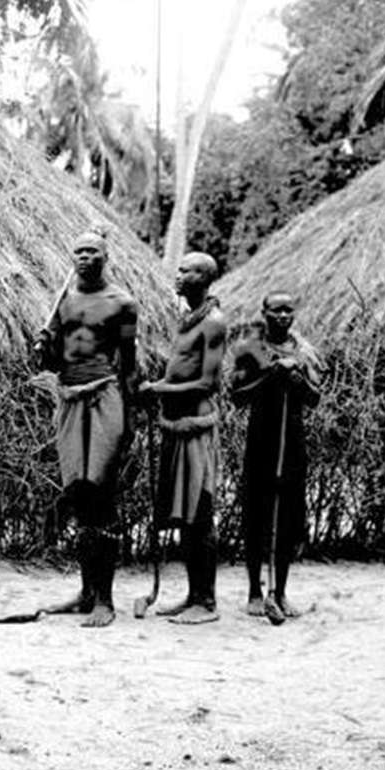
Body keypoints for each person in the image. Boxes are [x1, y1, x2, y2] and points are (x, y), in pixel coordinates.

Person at [34, 230, 139, 628]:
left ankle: (105, 601)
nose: (84, 256)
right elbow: (55, 360)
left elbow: (128, 363)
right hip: (69, 397)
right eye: (78, 250)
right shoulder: (63, 299)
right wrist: (44, 347)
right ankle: (85, 593)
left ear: (106, 256)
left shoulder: (122, 303)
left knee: (100, 492)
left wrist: (129, 416)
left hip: (104, 396)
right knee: (77, 492)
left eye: (92, 251)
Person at [139, 252, 226, 624]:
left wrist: (158, 389)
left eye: (186, 270)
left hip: (196, 428)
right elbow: (180, 371)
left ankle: (207, 603)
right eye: (179, 269)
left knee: (200, 514)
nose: (178, 275)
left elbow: (209, 383)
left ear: (204, 278)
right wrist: (158, 386)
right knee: (185, 517)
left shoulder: (214, 323)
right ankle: (193, 595)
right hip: (176, 425)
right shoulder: (187, 319)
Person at [229, 292, 322, 619]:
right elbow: (237, 397)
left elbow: (314, 398)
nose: (282, 316)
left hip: (293, 442)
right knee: (257, 516)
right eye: (276, 310)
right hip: (262, 440)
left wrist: (297, 379)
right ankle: (255, 592)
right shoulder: (251, 350)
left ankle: (279, 591)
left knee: (287, 518)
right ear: (264, 312)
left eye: (288, 310)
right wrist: (270, 375)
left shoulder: (303, 351)